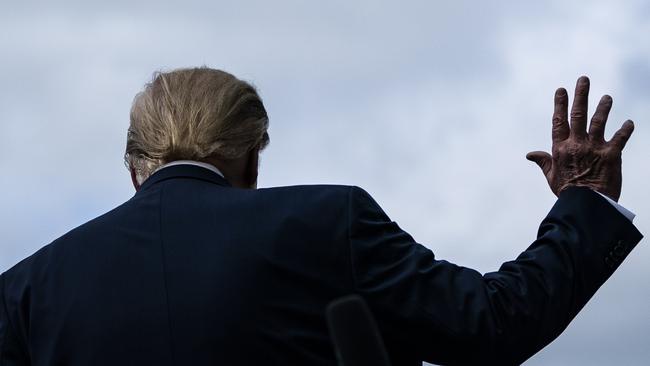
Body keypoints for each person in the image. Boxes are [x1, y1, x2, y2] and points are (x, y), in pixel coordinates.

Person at [0, 68, 642, 365]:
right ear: (252, 158)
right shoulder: (326, 221)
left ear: (134, 167)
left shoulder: (26, 291)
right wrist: (583, 203)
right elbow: (489, 324)